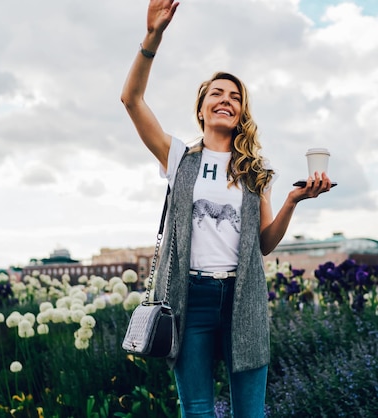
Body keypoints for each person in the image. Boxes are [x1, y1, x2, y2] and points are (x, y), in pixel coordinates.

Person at [120, 1, 332, 416]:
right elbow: (131, 99)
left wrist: (292, 201)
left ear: (240, 114)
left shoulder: (255, 170)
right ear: (201, 109)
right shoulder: (178, 156)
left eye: (235, 97)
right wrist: (153, 37)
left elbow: (264, 245)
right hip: (190, 296)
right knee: (196, 409)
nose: (226, 100)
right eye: (216, 93)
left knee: (249, 413)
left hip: (243, 297)